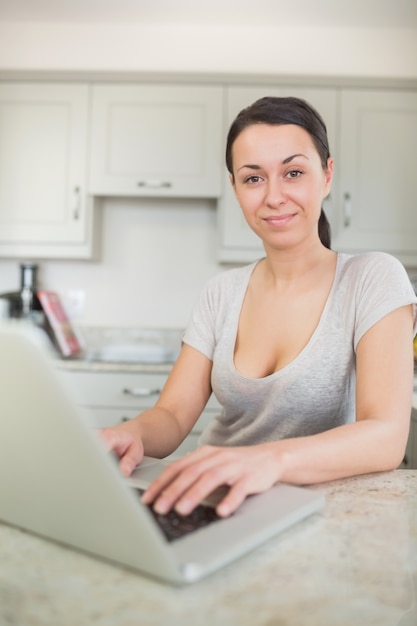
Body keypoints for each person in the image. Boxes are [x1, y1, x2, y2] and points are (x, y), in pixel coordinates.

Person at [101, 96, 417, 519]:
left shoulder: (371, 278)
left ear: (326, 175)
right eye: (253, 179)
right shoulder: (222, 291)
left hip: (312, 510)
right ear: (235, 188)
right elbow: (174, 415)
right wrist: (130, 433)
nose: (274, 196)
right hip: (209, 500)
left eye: (293, 172)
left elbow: (386, 436)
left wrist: (269, 461)